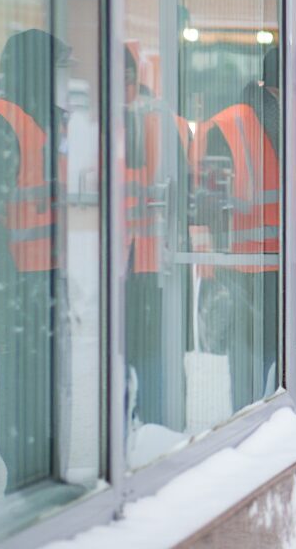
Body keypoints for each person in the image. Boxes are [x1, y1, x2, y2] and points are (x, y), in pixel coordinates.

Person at [0, 29, 70, 492]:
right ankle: (22, 490)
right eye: (57, 70)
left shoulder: (46, 122)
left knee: (45, 395)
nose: (63, 81)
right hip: (10, 282)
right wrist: (4, 305)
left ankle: (42, 482)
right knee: (22, 396)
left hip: (42, 282)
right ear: (36, 72)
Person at [192, 47, 281, 412]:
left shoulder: (289, 122)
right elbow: (206, 206)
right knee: (250, 389)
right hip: (244, 275)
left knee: (279, 385)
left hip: (283, 271)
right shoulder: (231, 126)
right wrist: (212, 273)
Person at [124, 42, 191, 429]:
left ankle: (154, 435)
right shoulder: (146, 117)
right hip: (140, 262)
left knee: (148, 362)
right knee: (146, 362)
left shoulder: (142, 118)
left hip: (148, 262)